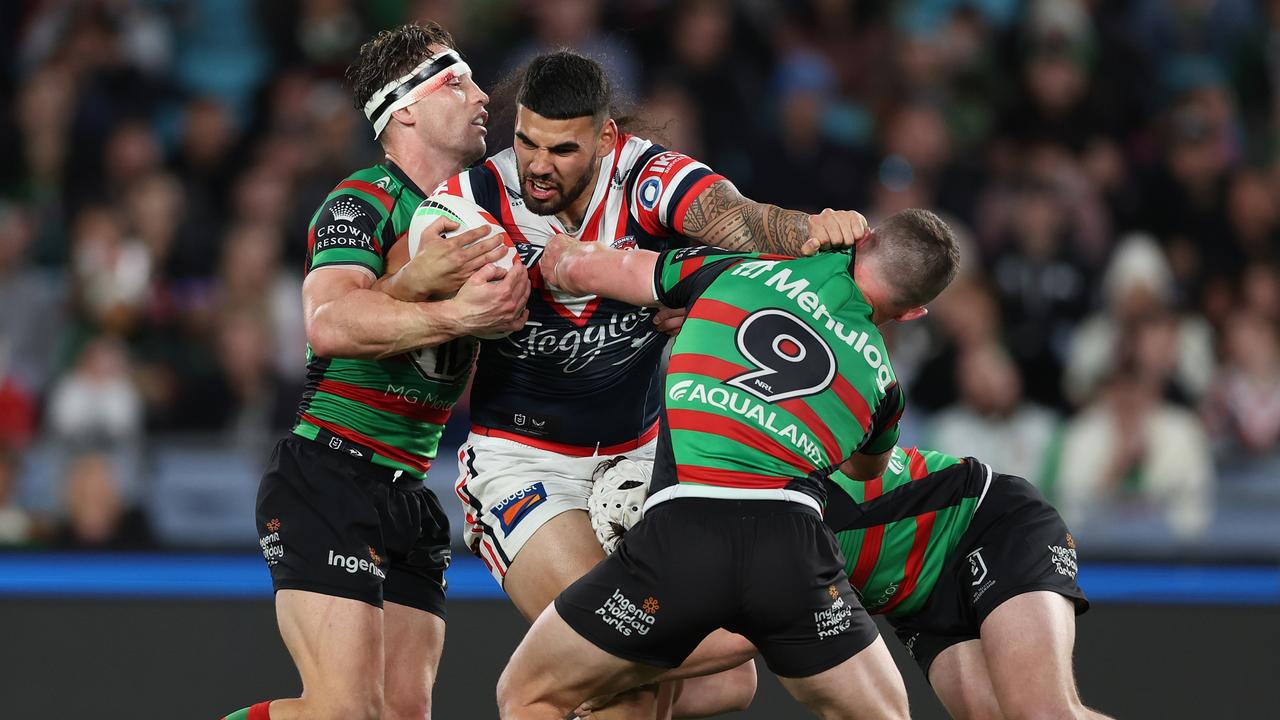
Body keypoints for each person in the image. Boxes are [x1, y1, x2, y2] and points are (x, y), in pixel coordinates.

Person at [496, 208, 960, 718]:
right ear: (916, 311)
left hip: (685, 534)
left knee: (529, 692)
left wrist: (557, 255)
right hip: (794, 553)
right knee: (886, 712)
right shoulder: (884, 386)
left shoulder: (734, 269)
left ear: (863, 238)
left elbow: (590, 267)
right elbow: (864, 472)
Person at [222, 22, 529, 720]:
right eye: (458, 80)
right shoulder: (361, 201)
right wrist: (453, 314)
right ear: (407, 108)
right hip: (330, 475)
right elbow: (329, 322)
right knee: (343, 714)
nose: (483, 96)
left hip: (410, 493)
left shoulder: (486, 212)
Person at [652, 444, 1109, 720]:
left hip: (990, 521)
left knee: (1039, 713)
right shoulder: (715, 529)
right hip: (918, 599)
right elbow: (735, 684)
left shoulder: (757, 521)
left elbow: (739, 646)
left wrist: (607, 667)